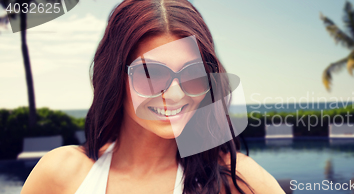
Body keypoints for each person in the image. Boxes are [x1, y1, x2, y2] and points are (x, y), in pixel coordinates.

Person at [20, 0, 285, 193]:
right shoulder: (60, 174)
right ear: (115, 77)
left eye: (193, 74)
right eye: (151, 74)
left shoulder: (236, 180)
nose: (175, 93)